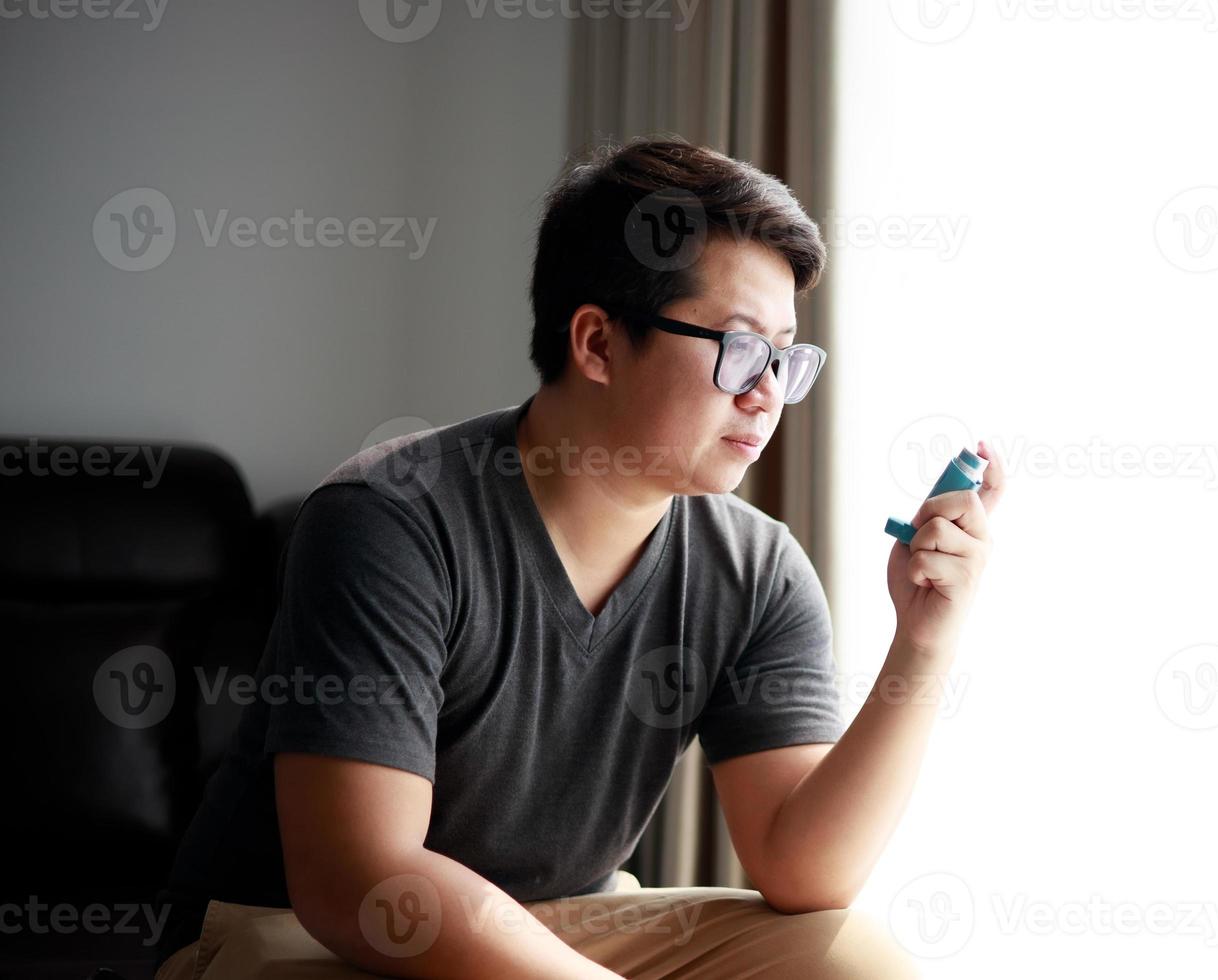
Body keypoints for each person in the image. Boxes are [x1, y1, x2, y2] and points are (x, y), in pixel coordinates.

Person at [152, 136, 1004, 979]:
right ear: (596, 343)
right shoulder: (390, 521)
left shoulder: (756, 567)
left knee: (847, 955)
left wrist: (923, 642)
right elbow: (358, 879)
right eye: (741, 348)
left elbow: (803, 869)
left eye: (786, 358)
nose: (767, 392)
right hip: (304, 939)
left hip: (564, 928)